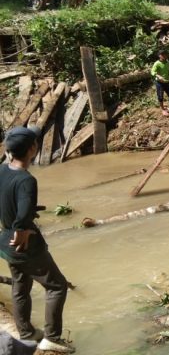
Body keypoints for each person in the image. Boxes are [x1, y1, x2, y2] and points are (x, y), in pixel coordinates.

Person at [0, 127, 75, 353]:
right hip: (24, 244)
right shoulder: (26, 180)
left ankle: (26, 332)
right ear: (32, 149)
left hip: (4, 242)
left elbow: (12, 203)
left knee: (21, 284)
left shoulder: (2, 170)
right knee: (57, 286)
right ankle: (52, 337)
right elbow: (22, 214)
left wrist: (25, 215)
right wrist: (22, 228)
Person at [151, 49, 169, 116]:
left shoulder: (167, 63)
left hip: (167, 82)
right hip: (159, 83)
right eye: (162, 54)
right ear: (159, 56)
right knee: (160, 96)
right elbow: (152, 72)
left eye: (165, 54)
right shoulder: (157, 63)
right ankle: (163, 109)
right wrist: (158, 76)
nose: (164, 56)